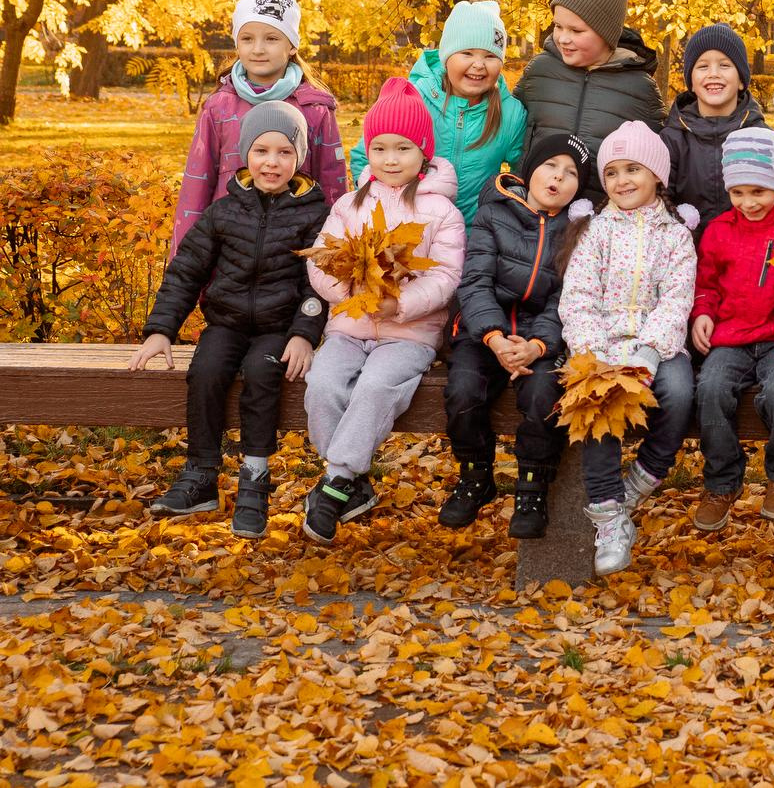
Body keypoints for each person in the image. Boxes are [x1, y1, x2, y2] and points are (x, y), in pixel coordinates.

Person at [130, 101, 329, 539]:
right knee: (205, 370)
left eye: (283, 152)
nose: (271, 162)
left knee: (262, 372)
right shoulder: (224, 211)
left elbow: (320, 285)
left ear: (298, 158)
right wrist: (161, 330)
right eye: (261, 151)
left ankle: (255, 479)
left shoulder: (315, 214)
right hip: (227, 321)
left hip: (278, 328)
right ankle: (201, 471)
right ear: (244, 155)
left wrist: (303, 335)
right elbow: (187, 271)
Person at [300, 80, 466, 544]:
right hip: (349, 326)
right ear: (367, 151)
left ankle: (337, 483)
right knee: (324, 384)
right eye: (379, 148)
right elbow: (322, 260)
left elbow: (446, 277)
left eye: (403, 148)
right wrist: (346, 288)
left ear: (424, 153)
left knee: (375, 386)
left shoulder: (441, 212)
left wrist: (401, 304)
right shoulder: (350, 204)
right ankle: (349, 482)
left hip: (408, 334)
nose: (390, 159)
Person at [558, 122, 699, 576]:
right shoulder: (595, 232)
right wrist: (594, 354)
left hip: (660, 347)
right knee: (596, 405)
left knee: (677, 393)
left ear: (657, 175)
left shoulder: (675, 235)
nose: (622, 181)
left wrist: (649, 354)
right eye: (613, 172)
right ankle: (608, 516)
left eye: (633, 169)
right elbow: (578, 297)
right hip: (600, 345)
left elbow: (678, 298)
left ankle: (641, 480)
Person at [439, 132, 591, 538]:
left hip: (538, 338)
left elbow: (566, 298)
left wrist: (537, 345)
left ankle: (532, 486)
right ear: (529, 172)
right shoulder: (495, 214)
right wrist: (493, 337)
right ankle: (476, 473)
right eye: (549, 166)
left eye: (571, 173)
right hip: (481, 331)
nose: (558, 178)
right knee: (464, 391)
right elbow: (474, 283)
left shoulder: (577, 233)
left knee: (544, 395)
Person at [689, 127, 774, 529]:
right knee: (711, 388)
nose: (748, 203)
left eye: (758, 192)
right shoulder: (719, 231)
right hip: (731, 338)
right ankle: (721, 481)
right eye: (738, 193)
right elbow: (707, 284)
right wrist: (703, 313)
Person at [173, 0, 344, 249]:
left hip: (292, 260)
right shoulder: (219, 108)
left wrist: (333, 262)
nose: (258, 49)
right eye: (247, 39)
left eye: (272, 38)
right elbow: (195, 190)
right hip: (228, 259)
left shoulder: (315, 109)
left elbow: (333, 190)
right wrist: (184, 268)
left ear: (291, 46)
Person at [350, 0, 526, 225]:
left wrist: (499, 217)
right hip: (409, 230)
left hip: (475, 237)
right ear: (447, 57)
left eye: (490, 56)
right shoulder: (414, 99)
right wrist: (383, 208)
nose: (479, 64)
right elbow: (363, 156)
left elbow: (521, 175)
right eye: (467, 53)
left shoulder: (510, 114)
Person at [513, 0, 666, 188]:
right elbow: (506, 125)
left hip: (601, 213)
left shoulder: (639, 87)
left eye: (576, 31)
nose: (563, 38)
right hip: (536, 206)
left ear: (606, 34)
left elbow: (658, 157)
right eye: (558, 26)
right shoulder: (540, 71)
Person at [662, 23, 766, 233]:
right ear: (691, 82)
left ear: (741, 81)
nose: (713, 74)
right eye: (703, 66)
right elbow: (660, 202)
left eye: (725, 65)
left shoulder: (760, 136)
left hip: (746, 251)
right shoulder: (673, 139)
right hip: (686, 254)